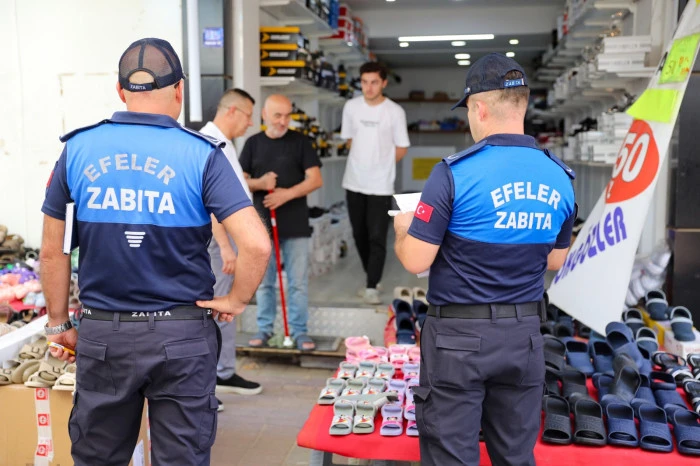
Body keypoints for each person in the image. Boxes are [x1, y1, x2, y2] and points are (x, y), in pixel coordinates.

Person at [40, 38, 271, 466]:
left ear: (120, 90)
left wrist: (59, 323)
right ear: (179, 89)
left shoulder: (78, 149)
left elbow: (54, 252)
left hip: (104, 335)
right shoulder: (201, 155)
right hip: (181, 337)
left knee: (97, 457)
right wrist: (236, 299)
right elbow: (257, 244)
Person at [393, 53, 576, 466]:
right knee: (515, 455)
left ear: (479, 108)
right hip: (524, 335)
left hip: (458, 339)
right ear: (522, 105)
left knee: (452, 456)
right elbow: (555, 260)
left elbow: (416, 259)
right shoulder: (560, 176)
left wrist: (404, 227)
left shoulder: (454, 173)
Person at [239, 94, 323, 351]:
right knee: (265, 282)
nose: (283, 121)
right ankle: (265, 329)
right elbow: (240, 181)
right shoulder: (253, 144)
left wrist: (286, 194)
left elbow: (315, 179)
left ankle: (299, 331)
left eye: (287, 116)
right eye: (278, 115)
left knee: (297, 283)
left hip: (296, 223)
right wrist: (261, 183)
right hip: (262, 225)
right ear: (264, 115)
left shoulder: (301, 142)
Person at [199, 88, 262, 402]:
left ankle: (223, 373)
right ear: (232, 111)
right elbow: (210, 204)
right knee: (218, 309)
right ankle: (206, 384)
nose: (250, 123)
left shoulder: (225, 144)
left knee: (226, 311)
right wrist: (225, 246)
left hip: (230, 241)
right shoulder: (209, 144)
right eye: (248, 116)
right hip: (219, 242)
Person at [341, 62, 410, 305]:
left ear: (383, 83)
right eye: (364, 82)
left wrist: (381, 165)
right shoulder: (351, 107)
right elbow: (349, 140)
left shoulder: (394, 112)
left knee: (377, 236)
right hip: (354, 181)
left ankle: (371, 286)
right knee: (359, 234)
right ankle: (373, 275)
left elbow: (402, 147)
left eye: (374, 82)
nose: (368, 87)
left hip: (381, 185)